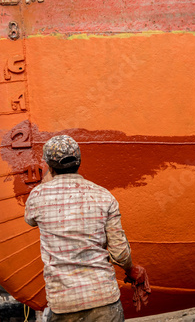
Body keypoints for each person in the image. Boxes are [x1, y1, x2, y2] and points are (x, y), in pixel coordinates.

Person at [25, 135, 150, 321]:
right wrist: (131, 269)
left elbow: (30, 220)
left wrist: (46, 181)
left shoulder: (37, 197)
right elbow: (120, 254)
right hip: (103, 299)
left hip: (63, 303)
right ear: (79, 162)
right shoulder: (103, 196)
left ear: (49, 166)